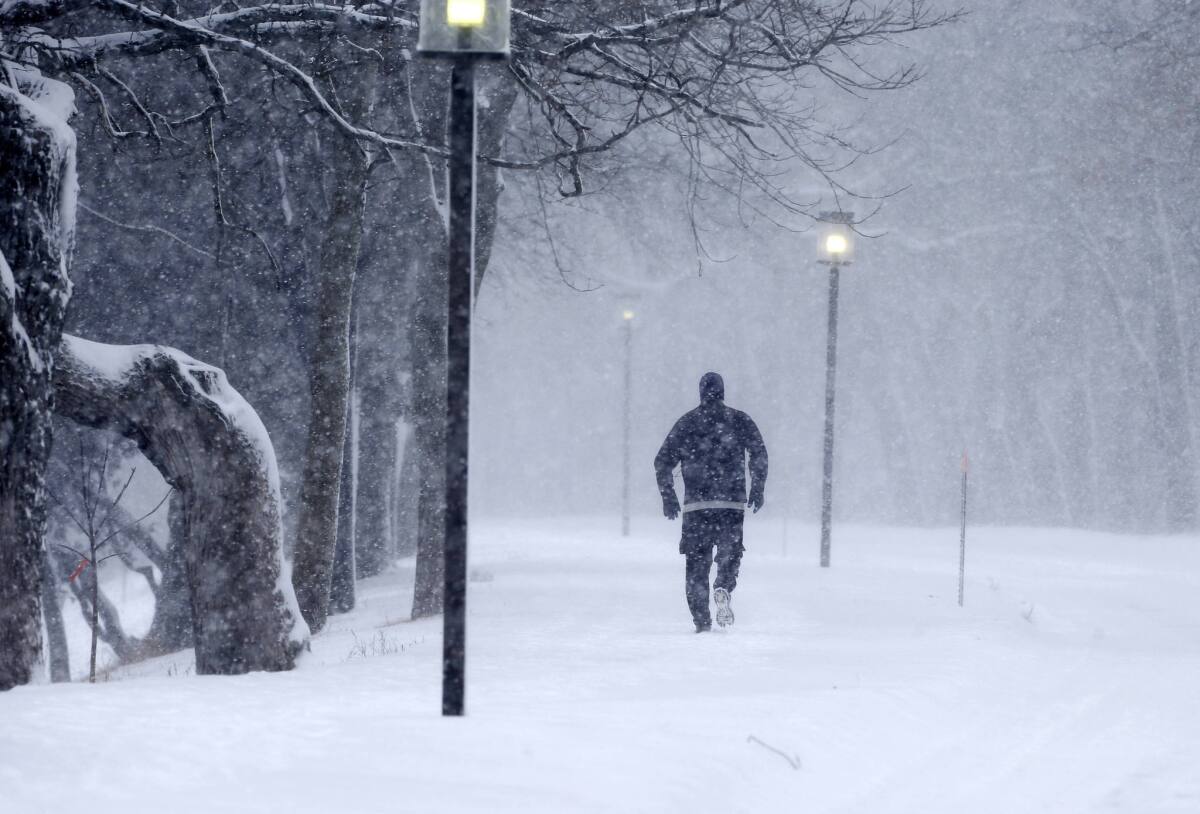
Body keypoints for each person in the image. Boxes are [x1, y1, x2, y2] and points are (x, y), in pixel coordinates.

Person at [654, 372, 768, 632]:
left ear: (701, 392)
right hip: (731, 504)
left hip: (697, 507)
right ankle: (723, 586)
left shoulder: (687, 423)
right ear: (723, 392)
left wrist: (668, 496)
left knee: (696, 564)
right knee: (730, 552)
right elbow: (759, 451)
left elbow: (662, 461)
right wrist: (758, 486)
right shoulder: (739, 420)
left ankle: (702, 621)